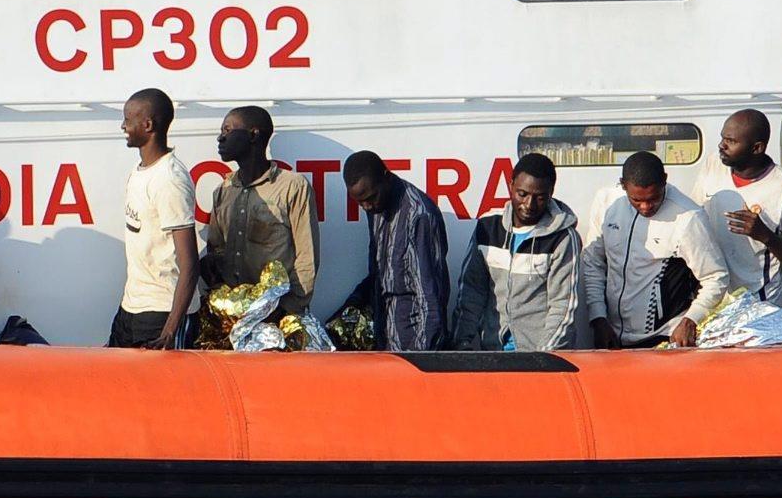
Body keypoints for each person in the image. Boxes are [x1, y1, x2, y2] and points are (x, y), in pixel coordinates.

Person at [579, 151, 735, 349]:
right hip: (611, 335)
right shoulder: (607, 202)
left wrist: (691, 320)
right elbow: (593, 262)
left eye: (654, 198)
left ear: (665, 181)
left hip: (664, 337)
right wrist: (598, 317)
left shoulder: (689, 217)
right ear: (623, 185)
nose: (646, 207)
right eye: (636, 200)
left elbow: (716, 276)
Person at [448, 152, 581, 353]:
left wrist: (544, 357)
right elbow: (471, 292)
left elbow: (563, 307)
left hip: (541, 358)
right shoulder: (487, 228)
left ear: (551, 193)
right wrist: (461, 342)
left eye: (539, 197)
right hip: (493, 353)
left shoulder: (563, 238)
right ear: (511, 186)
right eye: (522, 194)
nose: (529, 204)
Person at [698, 108, 782, 308]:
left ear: (757, 148)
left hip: (760, 306)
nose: (722, 145)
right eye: (722, 138)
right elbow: (696, 222)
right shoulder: (713, 165)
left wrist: (765, 235)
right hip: (714, 302)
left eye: (731, 141)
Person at [199, 104, 317, 307]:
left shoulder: (292, 186)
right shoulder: (223, 190)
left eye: (227, 130)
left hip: (277, 313)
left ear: (253, 135)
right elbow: (216, 249)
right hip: (233, 313)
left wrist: (289, 308)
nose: (220, 138)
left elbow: (307, 258)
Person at [339, 151, 451, 354]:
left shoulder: (419, 216)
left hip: (414, 347)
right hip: (385, 343)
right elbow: (380, 276)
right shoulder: (375, 210)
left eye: (370, 198)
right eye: (360, 203)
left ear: (387, 177)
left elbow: (431, 298)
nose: (367, 206)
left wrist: (420, 359)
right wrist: (352, 305)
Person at [113, 89, 196, 350]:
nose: (123, 126)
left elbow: (190, 264)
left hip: (161, 314)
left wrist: (170, 330)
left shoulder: (170, 180)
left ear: (148, 125)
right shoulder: (140, 171)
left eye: (128, 120)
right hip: (131, 308)